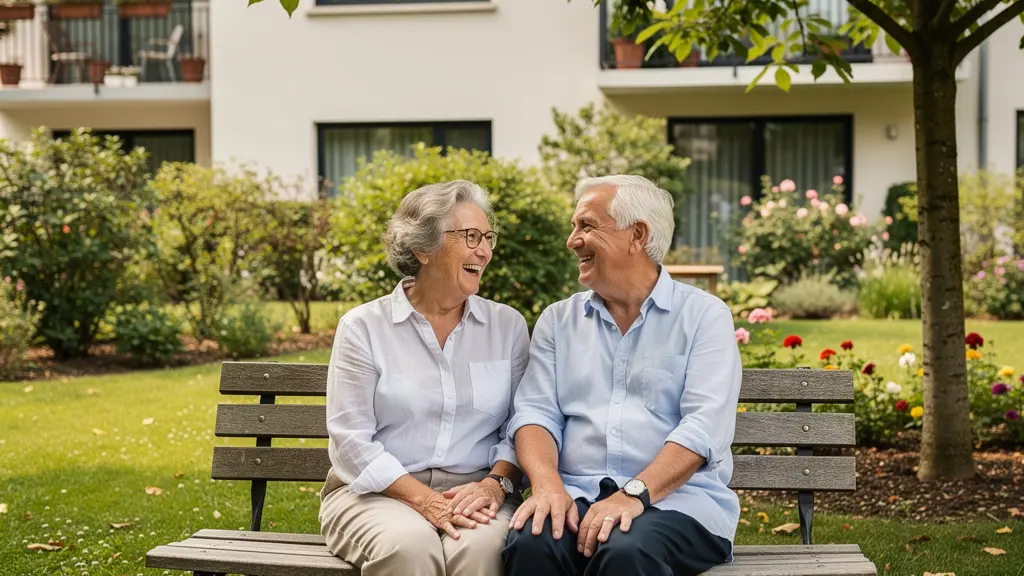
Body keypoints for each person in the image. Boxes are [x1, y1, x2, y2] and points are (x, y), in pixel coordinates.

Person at [501, 174, 741, 576]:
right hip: (577, 494)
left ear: (637, 235)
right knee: (531, 541)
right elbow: (535, 415)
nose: (572, 240)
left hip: (679, 503)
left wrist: (634, 494)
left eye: (587, 226)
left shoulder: (704, 316)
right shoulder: (559, 321)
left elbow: (702, 428)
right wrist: (546, 486)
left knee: (626, 551)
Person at [319, 180, 530, 576]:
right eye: (470, 237)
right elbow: (350, 441)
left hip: (476, 493)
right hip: (376, 493)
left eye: (487, 238)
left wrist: (493, 485)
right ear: (422, 248)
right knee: (410, 548)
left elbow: (520, 427)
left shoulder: (507, 326)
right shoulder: (364, 327)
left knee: (483, 551)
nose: (483, 250)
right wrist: (423, 499)